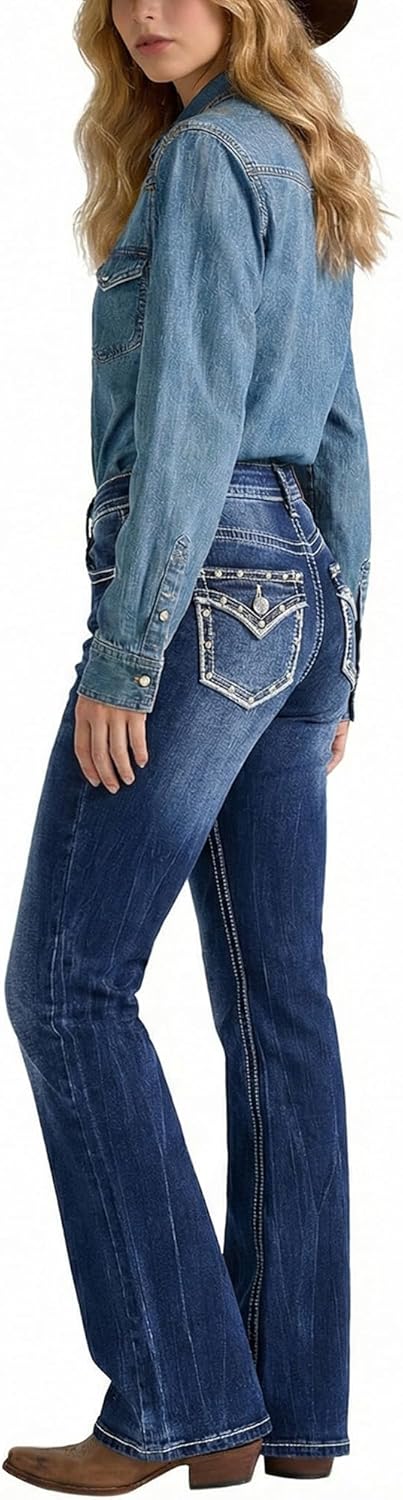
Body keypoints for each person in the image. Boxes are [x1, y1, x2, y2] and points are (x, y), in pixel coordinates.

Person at [2, 0, 390, 1492]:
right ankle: (291, 1408)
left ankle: (181, 1398)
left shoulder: (214, 157)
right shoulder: (305, 154)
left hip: (198, 588)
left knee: (68, 982)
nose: (145, 11)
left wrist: (128, 650)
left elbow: (188, 419)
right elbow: (339, 429)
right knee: (279, 1001)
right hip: (296, 591)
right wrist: (337, 656)